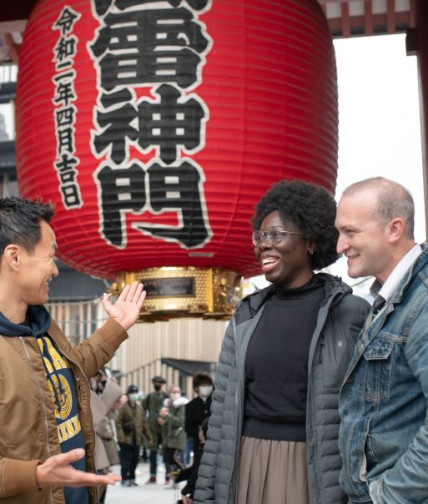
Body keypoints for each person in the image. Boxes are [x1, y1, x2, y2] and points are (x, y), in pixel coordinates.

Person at [194, 179, 369, 504]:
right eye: (260, 236)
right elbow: (220, 416)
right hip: (245, 462)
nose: (263, 245)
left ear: (312, 243)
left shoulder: (350, 313)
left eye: (276, 235)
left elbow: (368, 413)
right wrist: (203, 494)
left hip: (315, 470)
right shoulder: (246, 315)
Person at [0, 197, 146, 504]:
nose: (55, 270)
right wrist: (37, 474)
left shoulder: (42, 325)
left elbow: (69, 370)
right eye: (50, 256)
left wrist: (116, 327)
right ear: (14, 257)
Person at [335, 177, 428, 504]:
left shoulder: (423, 301)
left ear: (394, 229)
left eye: (351, 232)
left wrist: (387, 496)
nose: (340, 246)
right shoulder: (388, 297)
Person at [116, 384, 152, 487]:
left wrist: (148, 437)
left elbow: (144, 422)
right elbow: (118, 422)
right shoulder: (123, 407)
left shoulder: (140, 407)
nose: (134, 395)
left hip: (137, 438)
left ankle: (132, 478)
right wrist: (121, 436)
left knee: (135, 460)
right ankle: (124, 478)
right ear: (128, 394)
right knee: (126, 460)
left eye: (135, 393)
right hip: (126, 438)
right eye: (132, 393)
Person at [159, 385, 189, 487]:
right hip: (169, 437)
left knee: (174, 458)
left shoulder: (181, 405)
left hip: (177, 437)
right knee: (170, 459)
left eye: (177, 391)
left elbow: (180, 421)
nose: (176, 393)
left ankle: (186, 473)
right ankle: (176, 480)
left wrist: (168, 416)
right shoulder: (170, 405)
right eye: (173, 391)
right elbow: (169, 422)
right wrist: (163, 420)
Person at [142, 375, 168, 484]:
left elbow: (171, 411)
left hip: (164, 430)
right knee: (152, 454)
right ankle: (153, 477)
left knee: (167, 453)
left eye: (159, 383)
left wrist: (165, 420)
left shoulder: (166, 397)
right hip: (152, 430)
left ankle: (168, 477)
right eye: (155, 383)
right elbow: (142, 410)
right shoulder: (149, 397)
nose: (157, 385)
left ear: (162, 384)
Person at [185, 372, 213, 463]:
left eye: (209, 385)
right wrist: (199, 431)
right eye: (203, 385)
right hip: (199, 443)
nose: (207, 388)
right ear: (196, 388)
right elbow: (187, 426)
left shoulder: (216, 403)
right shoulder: (190, 406)